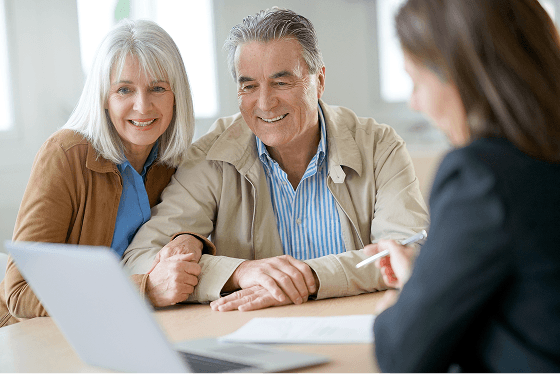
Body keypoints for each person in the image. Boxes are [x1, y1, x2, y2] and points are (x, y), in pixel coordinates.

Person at [122, 7, 429, 312]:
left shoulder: (379, 146)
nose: (265, 103)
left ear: (319, 80)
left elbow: (408, 252)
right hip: (252, 333)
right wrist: (238, 273)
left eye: (282, 82)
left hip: (362, 327)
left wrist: (310, 277)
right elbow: (139, 260)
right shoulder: (209, 157)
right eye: (249, 86)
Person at [364, 0, 560, 371]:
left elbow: (404, 354)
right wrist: (433, 274)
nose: (414, 102)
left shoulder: (480, 176)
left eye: (416, 81)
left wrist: (404, 305)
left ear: (458, 75)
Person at [0, 19, 214, 328]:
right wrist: (146, 290)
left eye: (157, 88)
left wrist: (189, 239)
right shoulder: (65, 155)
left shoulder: (173, 162)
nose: (142, 106)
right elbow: (20, 293)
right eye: (124, 89)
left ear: (176, 95)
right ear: (104, 97)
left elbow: (184, 228)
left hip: (128, 326)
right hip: (42, 335)